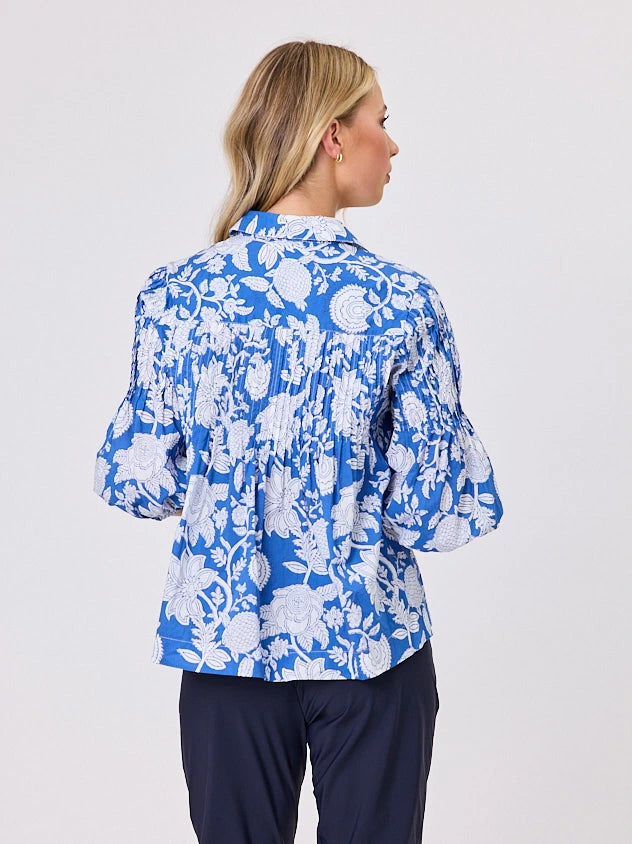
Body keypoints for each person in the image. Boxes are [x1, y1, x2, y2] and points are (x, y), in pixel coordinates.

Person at [93, 39, 504, 844]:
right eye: (381, 120)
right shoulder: (402, 302)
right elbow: (436, 513)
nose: (393, 144)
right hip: (371, 649)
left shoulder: (175, 296)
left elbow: (139, 483)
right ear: (333, 135)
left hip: (225, 649)